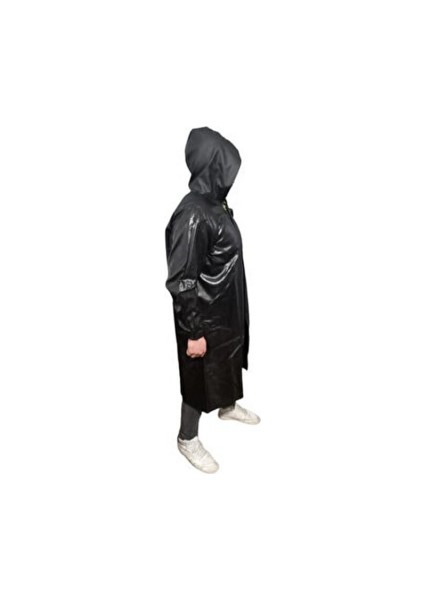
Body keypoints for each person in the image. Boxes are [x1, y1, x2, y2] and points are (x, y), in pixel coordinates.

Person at [165, 126, 260, 474]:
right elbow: (182, 279)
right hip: (203, 314)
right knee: (197, 377)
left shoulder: (215, 205)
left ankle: (228, 405)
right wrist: (193, 331)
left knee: (228, 357)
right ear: (212, 166)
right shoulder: (192, 213)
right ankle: (187, 438)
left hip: (225, 307)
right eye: (224, 166)